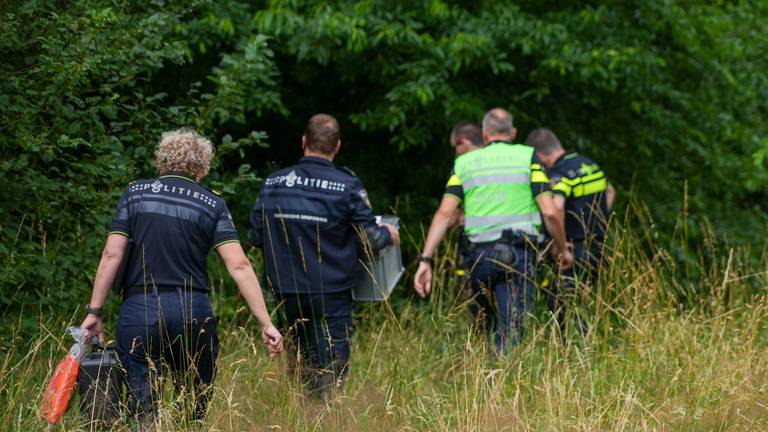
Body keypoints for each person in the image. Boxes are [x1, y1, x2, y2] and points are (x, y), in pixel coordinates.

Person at [79, 128, 283, 428]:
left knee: (142, 408)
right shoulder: (212, 203)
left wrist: (94, 312)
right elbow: (239, 264)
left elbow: (112, 255)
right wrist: (266, 322)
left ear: (161, 161)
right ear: (202, 168)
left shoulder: (134, 194)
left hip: (140, 309)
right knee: (194, 404)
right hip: (192, 312)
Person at [250, 113, 400, 398]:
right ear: (338, 146)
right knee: (332, 366)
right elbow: (369, 238)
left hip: (285, 290)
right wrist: (388, 235)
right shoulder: (348, 185)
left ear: (304, 141)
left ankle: (302, 416)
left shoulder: (274, 182)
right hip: (331, 292)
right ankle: (323, 417)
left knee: (298, 364)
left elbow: (256, 236)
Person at [414, 108, 572, 352]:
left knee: (482, 326)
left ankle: (481, 377)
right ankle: (501, 381)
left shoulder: (463, 163)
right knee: (511, 331)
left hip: (477, 258)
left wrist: (425, 259)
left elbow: (445, 213)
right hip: (517, 257)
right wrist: (562, 249)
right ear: (514, 132)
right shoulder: (528, 157)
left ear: (485, 134)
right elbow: (550, 212)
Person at [526, 127, 616, 336]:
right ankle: (588, 343)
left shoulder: (560, 172)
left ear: (539, 155)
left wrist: (560, 243)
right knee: (586, 299)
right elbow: (610, 190)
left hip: (574, 247)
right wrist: (599, 219)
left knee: (565, 302)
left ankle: (569, 349)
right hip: (597, 243)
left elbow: (556, 207)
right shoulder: (588, 163)